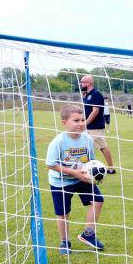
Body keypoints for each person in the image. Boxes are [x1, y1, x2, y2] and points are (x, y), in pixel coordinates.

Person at [45, 104, 105, 255]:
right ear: (64, 122)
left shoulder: (87, 139)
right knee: (63, 213)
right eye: (76, 120)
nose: (81, 123)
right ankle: (65, 241)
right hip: (61, 182)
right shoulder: (58, 142)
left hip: (82, 179)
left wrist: (95, 174)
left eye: (83, 120)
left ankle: (88, 234)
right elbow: (50, 165)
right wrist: (74, 172)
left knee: (98, 201)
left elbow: (91, 161)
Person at [79, 75, 115, 174]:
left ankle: (111, 168)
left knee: (102, 146)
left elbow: (95, 111)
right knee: (84, 147)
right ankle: (85, 166)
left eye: (82, 82)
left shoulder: (96, 94)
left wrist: (86, 123)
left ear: (89, 83)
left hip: (95, 126)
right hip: (87, 126)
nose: (81, 84)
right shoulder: (86, 95)